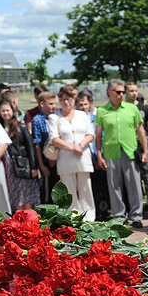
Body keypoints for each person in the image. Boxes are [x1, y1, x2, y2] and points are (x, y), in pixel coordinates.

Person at [94, 78, 148, 228]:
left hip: (130, 151)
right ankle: (119, 216)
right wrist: (99, 155)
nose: (121, 95)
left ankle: (136, 216)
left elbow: (141, 131)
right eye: (118, 92)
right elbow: (98, 136)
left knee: (134, 185)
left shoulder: (132, 109)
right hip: (111, 153)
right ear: (109, 92)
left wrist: (145, 151)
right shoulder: (102, 111)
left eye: (123, 92)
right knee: (114, 186)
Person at [48, 85, 95, 220]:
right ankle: (72, 220)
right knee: (69, 191)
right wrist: (72, 148)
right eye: (62, 99)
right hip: (65, 159)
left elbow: (90, 134)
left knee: (86, 190)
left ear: (74, 99)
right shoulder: (54, 117)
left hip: (83, 158)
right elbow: (54, 138)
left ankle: (89, 219)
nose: (65, 102)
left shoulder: (83, 115)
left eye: (68, 99)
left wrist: (80, 146)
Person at [126, 82, 148, 222]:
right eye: (131, 90)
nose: (134, 93)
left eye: (136, 90)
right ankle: (135, 211)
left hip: (146, 150)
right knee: (132, 184)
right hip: (129, 151)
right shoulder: (122, 109)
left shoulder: (144, 109)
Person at [0, 100, 39, 211]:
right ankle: (18, 220)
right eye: (2, 111)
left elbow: (30, 147)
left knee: (25, 194)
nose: (5, 113)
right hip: (6, 165)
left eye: (7, 110)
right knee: (14, 194)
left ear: (13, 111)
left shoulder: (21, 126)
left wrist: (34, 167)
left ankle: (29, 219)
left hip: (21, 164)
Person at [32, 91, 58, 204]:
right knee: (49, 189)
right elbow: (37, 144)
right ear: (42, 104)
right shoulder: (37, 120)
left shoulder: (57, 116)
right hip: (47, 161)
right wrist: (41, 165)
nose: (54, 106)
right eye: (51, 103)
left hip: (59, 159)